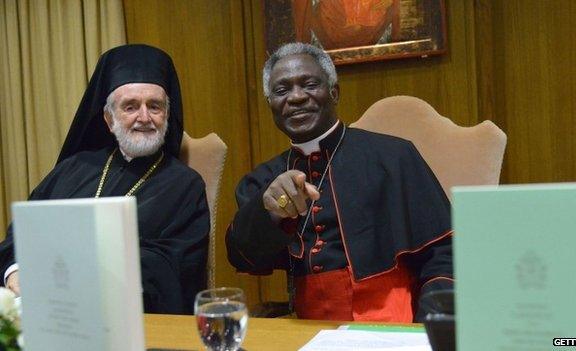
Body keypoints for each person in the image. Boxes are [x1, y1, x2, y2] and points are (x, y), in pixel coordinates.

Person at [226, 42, 452, 322]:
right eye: (281, 90)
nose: (295, 98)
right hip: (306, 325)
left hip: (391, 322)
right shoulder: (263, 179)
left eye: (309, 84)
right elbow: (242, 255)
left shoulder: (394, 157)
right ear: (270, 104)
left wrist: (429, 330)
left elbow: (445, 254)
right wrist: (270, 212)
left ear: (334, 92)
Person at [0, 44, 209, 314]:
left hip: (126, 316)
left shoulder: (185, 185)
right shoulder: (73, 168)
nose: (144, 117)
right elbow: (23, 232)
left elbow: (176, 267)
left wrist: (85, 276)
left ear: (167, 115)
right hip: (46, 311)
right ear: (109, 119)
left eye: (154, 106)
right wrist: (15, 273)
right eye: (130, 106)